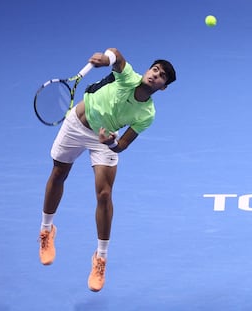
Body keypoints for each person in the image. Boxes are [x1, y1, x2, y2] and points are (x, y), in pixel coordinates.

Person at [37, 48, 176, 292]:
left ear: (163, 87)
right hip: (76, 125)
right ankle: (46, 230)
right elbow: (116, 55)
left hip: (104, 139)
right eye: (155, 69)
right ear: (147, 70)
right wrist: (106, 59)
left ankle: (100, 257)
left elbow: (122, 145)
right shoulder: (127, 76)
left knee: (104, 194)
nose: (156, 75)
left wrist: (111, 142)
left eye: (162, 75)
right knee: (59, 174)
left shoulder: (147, 114)